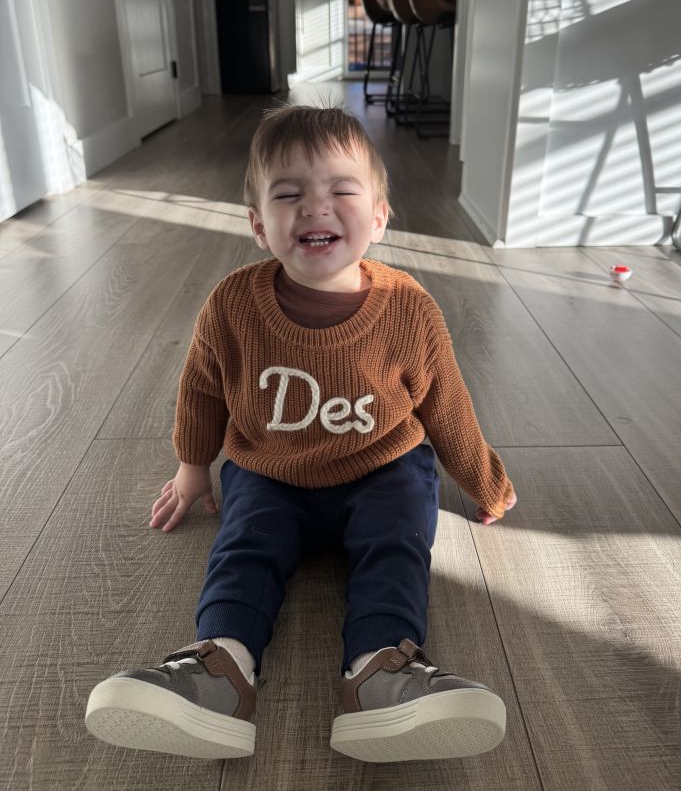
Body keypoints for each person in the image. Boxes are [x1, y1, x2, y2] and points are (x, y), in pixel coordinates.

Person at [85, 104, 517, 763]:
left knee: (397, 544)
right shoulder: (232, 305)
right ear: (260, 226)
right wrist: (193, 466)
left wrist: (487, 483)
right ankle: (217, 670)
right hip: (270, 471)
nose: (316, 207)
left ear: (379, 217)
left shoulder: (410, 310)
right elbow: (202, 387)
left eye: (341, 190)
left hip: (382, 468)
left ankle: (381, 673)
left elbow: (447, 406)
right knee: (243, 549)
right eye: (289, 195)